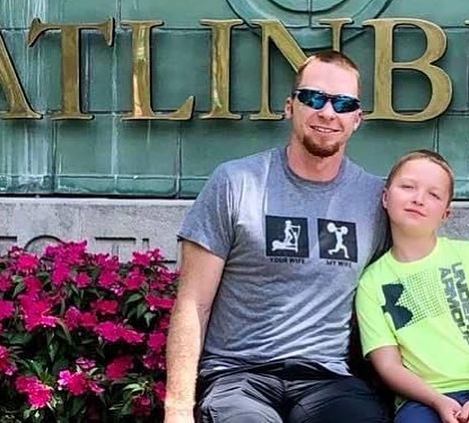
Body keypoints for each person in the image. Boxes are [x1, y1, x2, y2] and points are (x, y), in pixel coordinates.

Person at [163, 50, 391, 423]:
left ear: (357, 119)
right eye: (313, 98)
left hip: (327, 379)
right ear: (289, 106)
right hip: (238, 376)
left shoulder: (373, 199)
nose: (327, 112)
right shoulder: (235, 183)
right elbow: (193, 303)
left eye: (343, 103)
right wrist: (177, 409)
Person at [356, 150, 469, 423]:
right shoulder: (372, 282)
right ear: (386, 198)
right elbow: (388, 364)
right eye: (408, 187)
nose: (418, 199)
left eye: (433, 195)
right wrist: (437, 400)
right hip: (422, 397)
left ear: (446, 214)